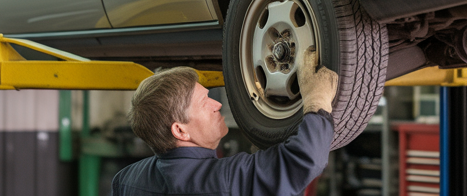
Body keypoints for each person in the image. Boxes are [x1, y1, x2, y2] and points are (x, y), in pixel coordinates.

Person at [111, 47, 339, 195]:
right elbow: (305, 159)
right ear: (180, 130)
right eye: (204, 102)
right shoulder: (222, 181)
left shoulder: (125, 180)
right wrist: (316, 101)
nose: (217, 105)